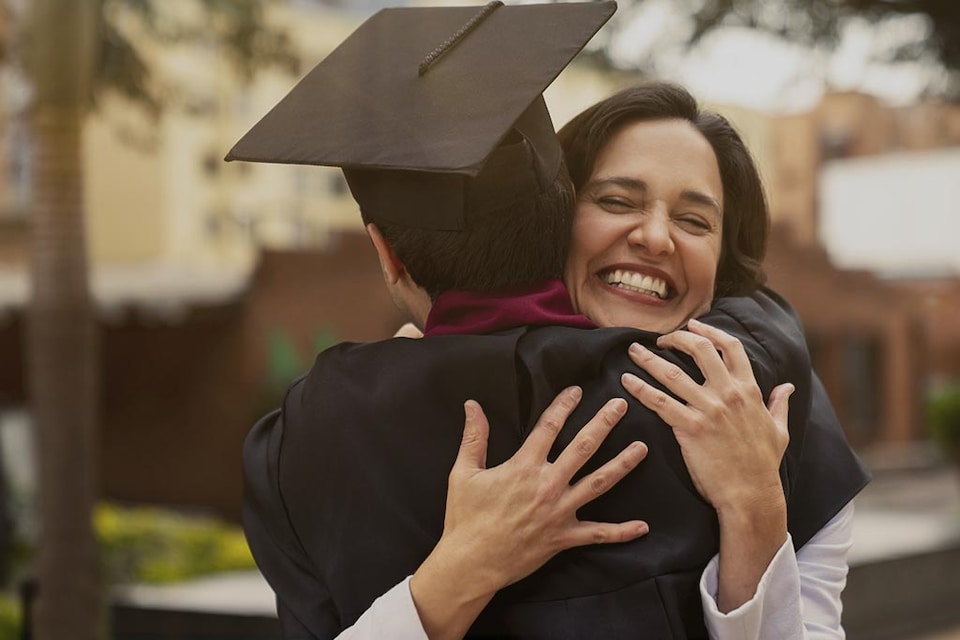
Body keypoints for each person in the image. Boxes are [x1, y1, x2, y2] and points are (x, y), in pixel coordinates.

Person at [232, 4, 868, 638]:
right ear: (557, 215)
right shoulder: (374, 414)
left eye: (695, 220)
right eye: (616, 200)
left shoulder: (778, 418)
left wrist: (757, 506)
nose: (653, 237)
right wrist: (460, 570)